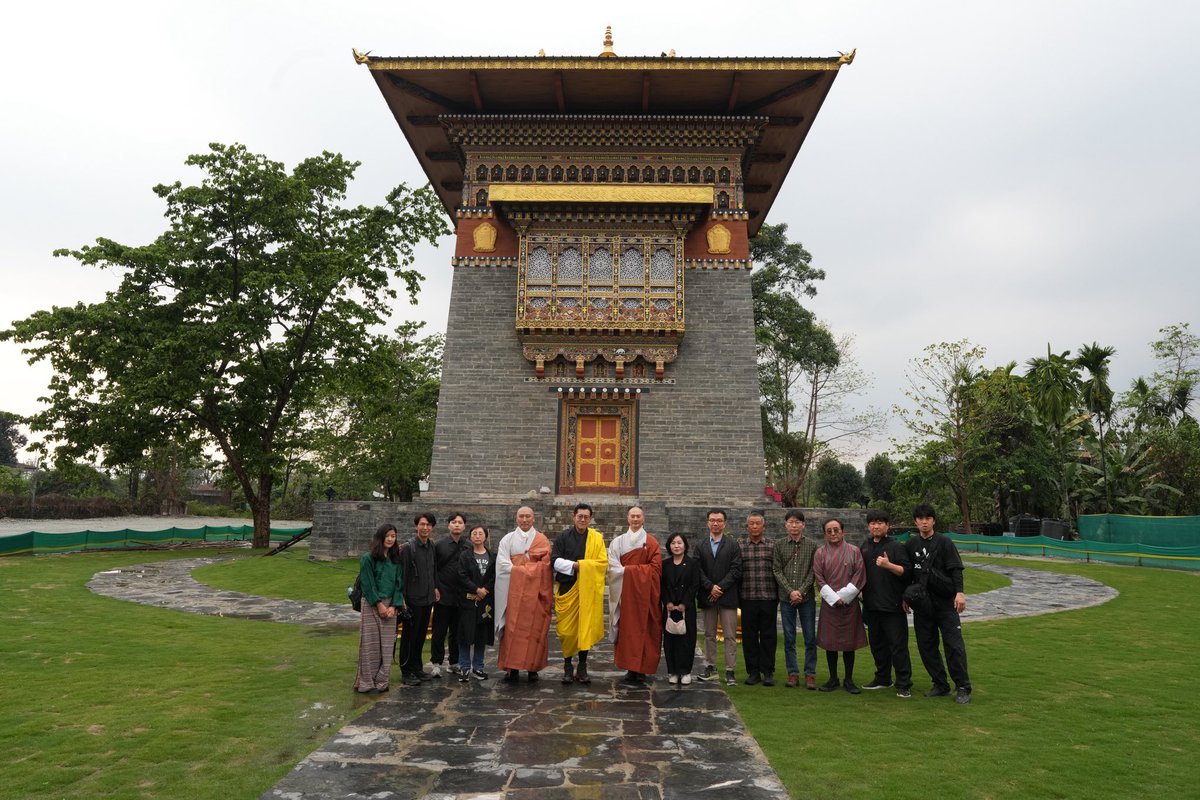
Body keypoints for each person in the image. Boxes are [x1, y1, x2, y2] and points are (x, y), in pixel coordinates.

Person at [905, 503, 973, 704]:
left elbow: (955, 569)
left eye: (928, 518)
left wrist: (959, 593)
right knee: (926, 646)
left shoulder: (944, 542)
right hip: (923, 605)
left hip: (945, 603)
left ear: (933, 520)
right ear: (915, 522)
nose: (924, 522)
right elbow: (907, 574)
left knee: (954, 646)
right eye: (920, 518)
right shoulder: (911, 545)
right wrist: (905, 598)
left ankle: (962, 686)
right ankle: (940, 684)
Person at [495, 505, 554, 682]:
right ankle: (511, 667)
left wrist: (523, 569)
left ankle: (532, 667)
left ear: (533, 518)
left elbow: (545, 567)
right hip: (513, 591)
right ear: (516, 518)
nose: (525, 520)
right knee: (512, 629)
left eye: (528, 516)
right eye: (521, 516)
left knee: (535, 629)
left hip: (535, 593)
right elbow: (502, 564)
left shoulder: (542, 540)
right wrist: (526, 569)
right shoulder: (508, 539)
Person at [551, 503, 608, 684]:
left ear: (590, 519)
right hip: (568, 587)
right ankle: (568, 666)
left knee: (585, 628)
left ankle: (582, 667)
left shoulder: (596, 539)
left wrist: (582, 565)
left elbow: (602, 563)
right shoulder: (563, 537)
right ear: (573, 517)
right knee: (566, 632)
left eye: (586, 517)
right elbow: (554, 560)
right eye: (580, 516)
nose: (583, 519)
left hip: (587, 590)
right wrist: (574, 566)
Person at [859, 510, 914, 697]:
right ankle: (883, 678)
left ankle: (904, 683)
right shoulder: (865, 546)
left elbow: (907, 572)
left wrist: (889, 565)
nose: (876, 526)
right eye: (873, 523)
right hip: (871, 604)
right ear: (868, 526)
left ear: (887, 526)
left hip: (892, 605)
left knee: (898, 646)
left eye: (880, 522)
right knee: (877, 644)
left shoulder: (896, 546)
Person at [607, 505, 663, 688]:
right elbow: (613, 567)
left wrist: (628, 571)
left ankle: (642, 668)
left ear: (643, 519)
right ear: (627, 519)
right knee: (627, 630)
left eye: (639, 516)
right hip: (626, 594)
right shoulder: (618, 542)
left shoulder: (651, 542)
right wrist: (630, 573)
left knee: (646, 630)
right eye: (633, 516)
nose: (636, 519)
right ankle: (630, 668)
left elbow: (655, 569)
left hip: (645, 596)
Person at [814, 518, 868, 694]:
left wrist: (844, 597)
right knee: (830, 643)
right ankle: (833, 678)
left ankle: (849, 679)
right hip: (830, 604)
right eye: (829, 531)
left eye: (836, 530)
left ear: (843, 531)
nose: (833, 533)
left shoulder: (854, 551)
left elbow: (859, 576)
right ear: (825, 534)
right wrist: (834, 598)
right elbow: (819, 578)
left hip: (849, 604)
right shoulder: (820, 553)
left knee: (849, 643)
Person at [353, 523, 406, 694]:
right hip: (371, 604)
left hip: (391, 605)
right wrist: (379, 604)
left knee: (387, 644)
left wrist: (394, 606)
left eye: (393, 536)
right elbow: (367, 584)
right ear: (380, 537)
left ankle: (382, 681)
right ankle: (366, 681)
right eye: (388, 535)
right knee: (370, 645)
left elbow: (399, 584)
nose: (390, 539)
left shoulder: (396, 559)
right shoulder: (368, 558)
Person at [694, 508, 742, 686]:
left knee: (730, 635)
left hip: (727, 596)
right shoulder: (700, 546)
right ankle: (710, 667)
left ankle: (730, 670)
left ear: (725, 523)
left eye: (719, 520)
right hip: (708, 597)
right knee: (709, 634)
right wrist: (710, 587)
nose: (715, 523)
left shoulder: (732, 545)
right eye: (712, 520)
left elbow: (736, 569)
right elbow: (697, 570)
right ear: (707, 523)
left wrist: (719, 588)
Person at [773, 509, 819, 689]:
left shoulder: (812, 546)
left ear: (803, 525)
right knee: (789, 637)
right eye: (791, 522)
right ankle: (792, 673)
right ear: (786, 525)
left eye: (797, 522)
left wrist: (800, 591)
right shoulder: (779, 545)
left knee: (809, 637)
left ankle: (810, 674)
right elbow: (777, 570)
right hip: (786, 598)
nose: (794, 525)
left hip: (806, 598)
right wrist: (790, 591)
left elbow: (813, 571)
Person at [738, 510, 778, 686]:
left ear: (764, 526)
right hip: (747, 598)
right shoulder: (739, 546)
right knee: (749, 637)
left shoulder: (772, 546)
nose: (754, 526)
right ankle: (753, 671)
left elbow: (778, 571)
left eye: (757, 523)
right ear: (747, 527)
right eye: (751, 524)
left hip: (769, 597)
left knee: (769, 636)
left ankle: (768, 671)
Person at [398, 512, 438, 686]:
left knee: (421, 636)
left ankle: (417, 668)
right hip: (412, 600)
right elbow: (402, 575)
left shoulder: (431, 546)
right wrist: (402, 599)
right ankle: (406, 672)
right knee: (408, 637)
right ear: (416, 526)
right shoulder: (408, 547)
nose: (425, 528)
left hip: (427, 598)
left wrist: (435, 588)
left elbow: (433, 570)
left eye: (428, 525)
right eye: (422, 524)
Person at [430, 511, 469, 677]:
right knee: (439, 630)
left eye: (460, 522)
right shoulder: (439, 545)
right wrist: (435, 587)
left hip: (461, 595)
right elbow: (433, 568)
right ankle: (436, 663)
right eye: (454, 522)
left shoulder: (468, 545)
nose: (457, 524)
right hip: (443, 593)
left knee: (457, 631)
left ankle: (454, 662)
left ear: (464, 526)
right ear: (448, 525)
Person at [456, 523, 496, 681]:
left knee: (481, 635)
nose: (477, 536)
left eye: (480, 533)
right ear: (470, 536)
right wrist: (476, 589)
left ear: (485, 536)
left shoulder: (492, 555)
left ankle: (478, 667)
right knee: (464, 634)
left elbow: (494, 576)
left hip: (485, 602)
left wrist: (484, 590)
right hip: (468, 601)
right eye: (474, 534)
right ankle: (464, 666)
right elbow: (461, 575)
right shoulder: (465, 555)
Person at [661, 532, 700, 685]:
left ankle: (685, 671)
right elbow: (662, 585)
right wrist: (667, 601)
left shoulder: (692, 563)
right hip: (670, 608)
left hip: (686, 608)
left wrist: (684, 603)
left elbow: (694, 585)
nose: (676, 546)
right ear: (669, 546)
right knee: (670, 639)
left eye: (679, 543)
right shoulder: (665, 564)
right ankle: (672, 671)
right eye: (673, 543)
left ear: (685, 545)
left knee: (687, 639)